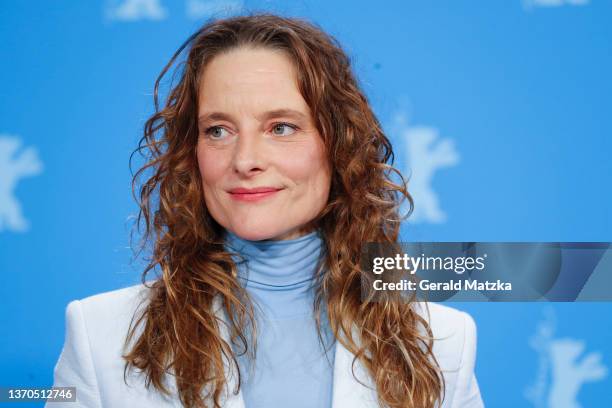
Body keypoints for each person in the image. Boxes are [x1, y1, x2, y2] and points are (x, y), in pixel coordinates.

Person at [48, 13, 484, 408]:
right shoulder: (99, 336)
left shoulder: (444, 342)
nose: (245, 160)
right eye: (218, 130)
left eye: (281, 127)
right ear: (191, 152)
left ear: (338, 146)